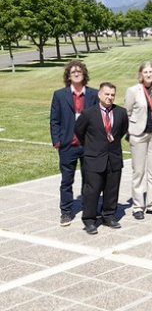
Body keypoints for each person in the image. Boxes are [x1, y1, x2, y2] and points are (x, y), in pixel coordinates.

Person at [74, 82, 129, 235]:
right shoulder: (88, 113)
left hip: (114, 157)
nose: (110, 97)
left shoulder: (121, 112)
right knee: (92, 190)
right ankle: (90, 220)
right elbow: (79, 131)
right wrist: (91, 145)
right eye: (107, 94)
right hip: (94, 158)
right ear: (99, 95)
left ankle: (108, 216)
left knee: (112, 189)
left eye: (112, 94)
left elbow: (122, 130)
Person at [50, 60, 99, 226]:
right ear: (68, 76)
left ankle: (89, 209)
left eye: (79, 71)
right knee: (66, 181)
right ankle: (66, 212)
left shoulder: (94, 94)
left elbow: (98, 119)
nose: (77, 73)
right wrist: (57, 141)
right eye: (73, 72)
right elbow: (54, 120)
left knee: (90, 179)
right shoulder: (59, 95)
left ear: (84, 74)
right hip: (67, 146)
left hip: (88, 145)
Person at [125, 61, 152, 220]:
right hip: (139, 135)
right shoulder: (133, 91)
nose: (148, 75)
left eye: (151, 72)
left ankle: (151, 205)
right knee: (139, 171)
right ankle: (137, 206)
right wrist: (131, 131)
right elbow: (127, 112)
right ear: (141, 74)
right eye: (145, 72)